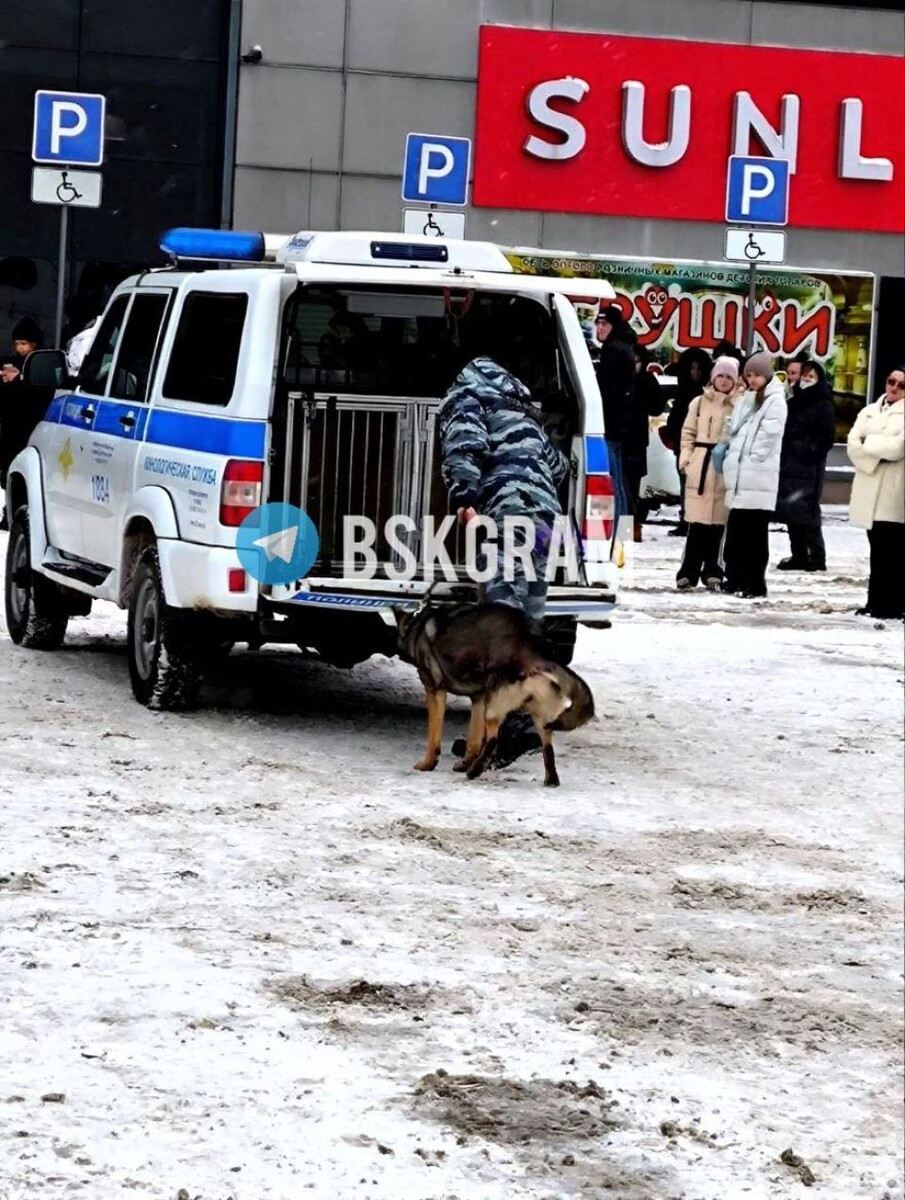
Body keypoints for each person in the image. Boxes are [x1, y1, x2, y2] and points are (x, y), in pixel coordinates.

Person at [439, 353, 570, 765]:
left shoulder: (467, 396)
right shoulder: (522, 409)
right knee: (528, 622)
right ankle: (525, 721)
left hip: (504, 513)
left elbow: (467, 444)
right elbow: (559, 467)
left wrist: (464, 496)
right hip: (545, 519)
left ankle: (510, 723)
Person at [721, 351, 788, 598]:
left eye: (757, 375)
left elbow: (769, 434)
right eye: (749, 375)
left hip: (757, 476)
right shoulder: (749, 398)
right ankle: (736, 578)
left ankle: (754, 583)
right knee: (738, 531)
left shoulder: (775, 400)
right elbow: (735, 427)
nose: (752, 379)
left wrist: (752, 457)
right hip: (742, 476)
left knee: (755, 535)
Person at [675, 356, 744, 590]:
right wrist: (687, 459)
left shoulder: (740, 404)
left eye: (729, 377)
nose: (724, 381)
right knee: (696, 524)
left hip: (724, 468)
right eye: (720, 375)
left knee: (718, 526)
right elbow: (687, 432)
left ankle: (714, 571)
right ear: (713, 376)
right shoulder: (698, 402)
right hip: (700, 467)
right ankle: (688, 571)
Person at [846, 365, 905, 620]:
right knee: (876, 550)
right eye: (891, 381)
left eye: (901, 385)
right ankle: (875, 601)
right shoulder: (869, 411)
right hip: (869, 486)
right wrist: (873, 456)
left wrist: (868, 445)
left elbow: (898, 448)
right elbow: (851, 444)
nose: (893, 388)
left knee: (891, 552)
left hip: (893, 490)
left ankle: (890, 603)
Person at [775, 359, 836, 572]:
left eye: (811, 377)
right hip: (790, 466)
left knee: (808, 512)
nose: (806, 380)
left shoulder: (823, 404)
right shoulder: (794, 402)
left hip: (809, 468)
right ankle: (798, 555)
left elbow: (826, 437)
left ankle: (816, 557)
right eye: (804, 376)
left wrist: (808, 450)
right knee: (792, 512)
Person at [1, 316, 49, 530]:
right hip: (12, 427)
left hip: (31, 427)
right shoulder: (11, 365)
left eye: (24, 343)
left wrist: (19, 380)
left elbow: (40, 393)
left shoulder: (41, 366)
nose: (19, 348)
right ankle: (9, 511)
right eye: (17, 343)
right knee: (9, 471)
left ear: (34, 344)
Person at [593, 304, 636, 532]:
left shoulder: (613, 350)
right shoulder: (623, 348)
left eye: (604, 324)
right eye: (598, 323)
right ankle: (622, 531)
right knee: (618, 481)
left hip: (609, 425)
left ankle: (616, 532)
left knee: (609, 481)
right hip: (618, 426)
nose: (600, 328)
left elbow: (607, 391)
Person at [664, 347, 713, 536]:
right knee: (686, 485)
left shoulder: (707, 394)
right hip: (684, 445)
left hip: (702, 446)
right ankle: (686, 519)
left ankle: (693, 520)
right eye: (692, 368)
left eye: (699, 369)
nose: (695, 373)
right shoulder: (683, 391)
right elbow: (676, 419)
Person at [624, 345, 666, 543]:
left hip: (636, 440)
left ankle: (630, 526)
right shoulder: (617, 377)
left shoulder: (646, 381)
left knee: (632, 487)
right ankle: (622, 527)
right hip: (618, 437)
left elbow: (657, 406)